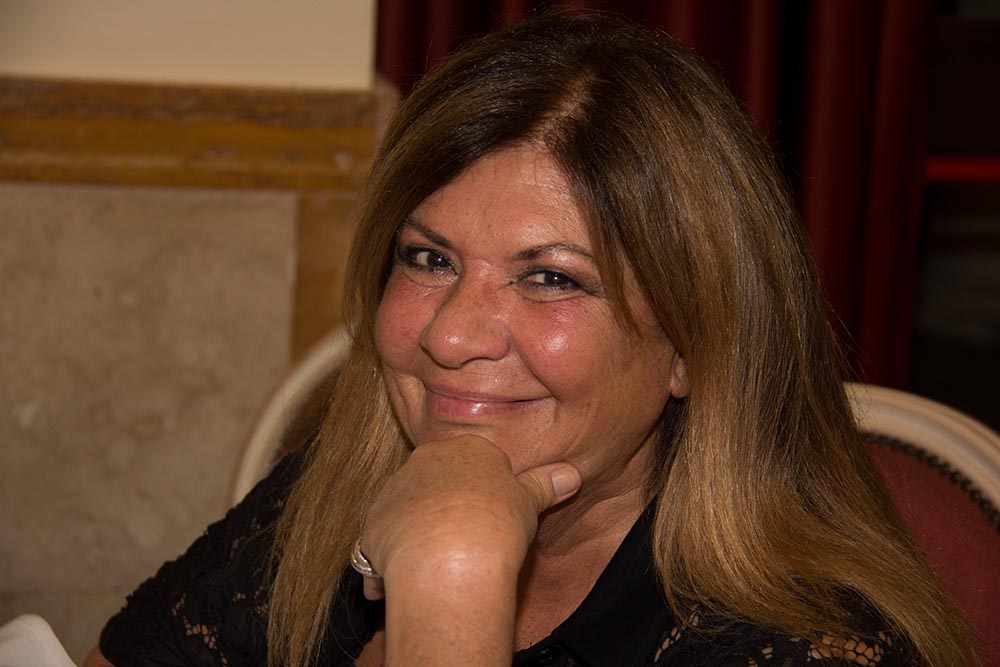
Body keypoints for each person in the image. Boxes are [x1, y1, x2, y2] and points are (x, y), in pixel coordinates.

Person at [85, 12, 975, 667]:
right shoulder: (337, 494)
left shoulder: (804, 644)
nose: (450, 334)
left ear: (692, 347)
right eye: (429, 258)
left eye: (551, 277)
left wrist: (450, 580)